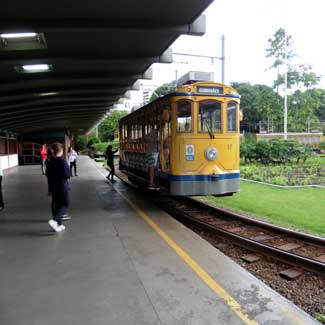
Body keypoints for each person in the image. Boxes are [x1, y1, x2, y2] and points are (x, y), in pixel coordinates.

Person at [46, 143, 70, 232]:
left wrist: (49, 189)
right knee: (65, 204)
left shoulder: (49, 162)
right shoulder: (62, 161)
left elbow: (48, 175)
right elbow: (67, 174)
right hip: (62, 187)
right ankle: (55, 220)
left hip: (53, 187)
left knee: (56, 204)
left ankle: (58, 225)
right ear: (60, 151)